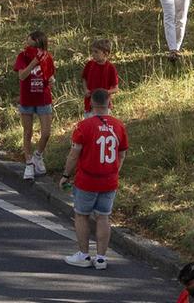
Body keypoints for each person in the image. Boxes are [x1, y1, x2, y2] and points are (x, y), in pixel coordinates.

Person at [61, 87, 128, 270]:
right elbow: (122, 154)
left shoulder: (83, 126)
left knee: (81, 215)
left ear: (91, 103)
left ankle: (83, 255)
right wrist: (114, 171)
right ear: (109, 103)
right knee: (103, 217)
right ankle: (101, 258)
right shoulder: (119, 126)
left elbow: (74, 154)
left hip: (87, 180)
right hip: (109, 181)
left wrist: (66, 175)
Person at [12, 28, 55, 180]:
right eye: (27, 44)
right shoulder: (22, 56)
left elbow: (50, 75)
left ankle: (38, 156)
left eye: (32, 45)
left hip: (43, 98)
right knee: (28, 132)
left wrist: (51, 80)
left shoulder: (47, 57)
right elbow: (22, 76)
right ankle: (29, 163)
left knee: (46, 133)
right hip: (27, 99)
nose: (28, 47)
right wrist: (33, 62)